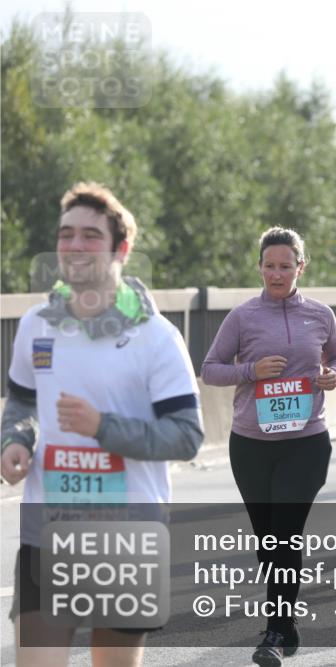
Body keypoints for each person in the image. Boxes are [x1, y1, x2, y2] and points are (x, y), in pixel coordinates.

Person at [1, 182, 204, 667]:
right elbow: (22, 401)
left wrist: (102, 427)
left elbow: (188, 434)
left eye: (90, 235)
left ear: (122, 249)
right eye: (66, 234)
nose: (74, 246)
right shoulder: (36, 325)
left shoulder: (156, 337)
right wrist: (16, 439)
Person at [202, 227, 336, 667]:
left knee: (286, 532)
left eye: (286, 265)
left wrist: (333, 377)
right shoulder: (243, 317)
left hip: (306, 443)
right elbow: (210, 369)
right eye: (270, 266)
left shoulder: (320, 315)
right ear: (260, 268)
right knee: (269, 541)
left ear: (301, 267)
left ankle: (275, 630)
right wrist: (250, 370)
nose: (277, 273)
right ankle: (286, 623)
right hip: (251, 445)